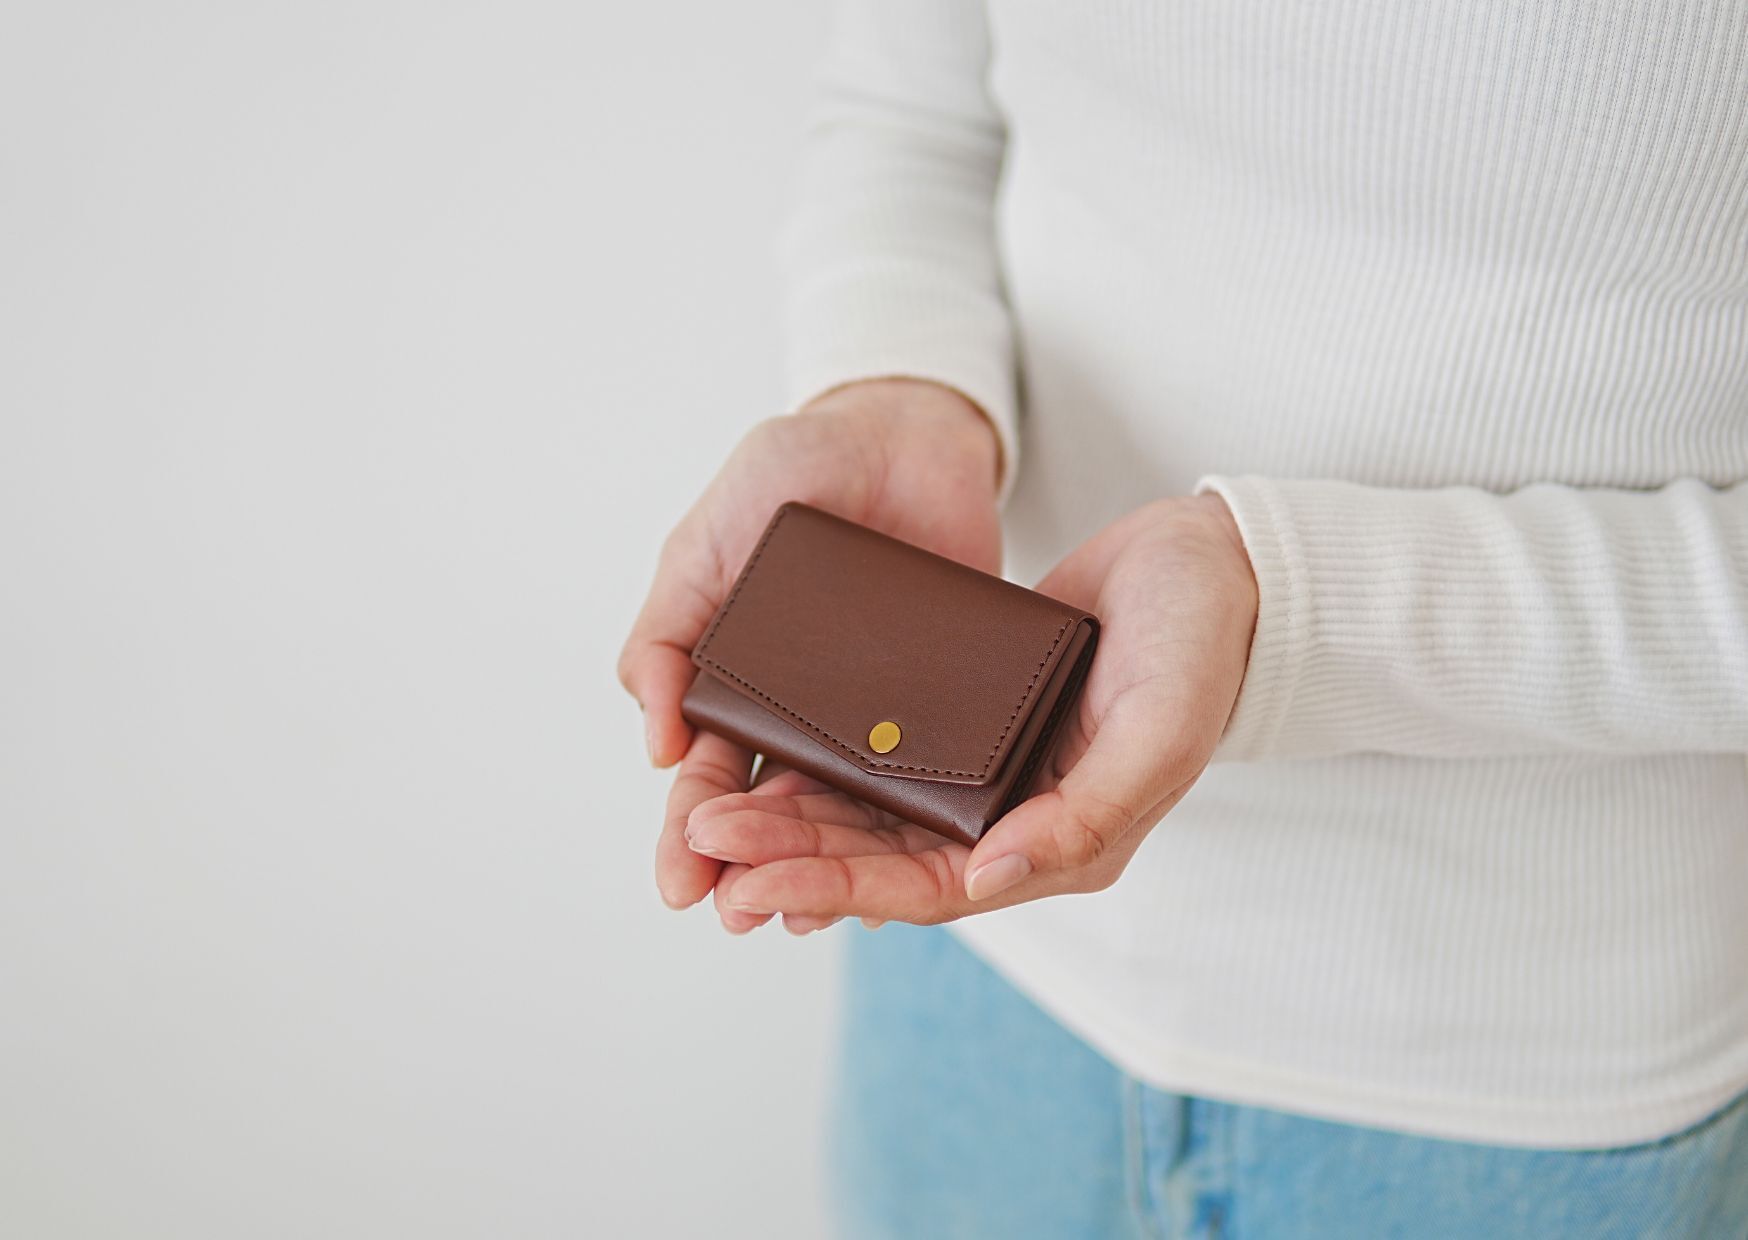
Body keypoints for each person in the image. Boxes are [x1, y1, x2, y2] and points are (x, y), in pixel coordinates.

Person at [618, 1, 1748, 1235]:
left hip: (1534, 1081)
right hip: (970, 967)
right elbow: (912, 109)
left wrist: (1287, 601)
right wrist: (895, 382)